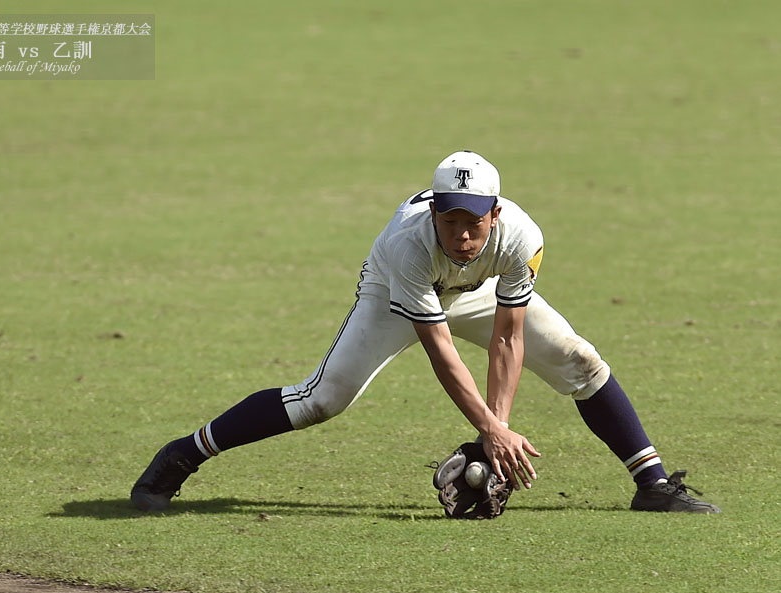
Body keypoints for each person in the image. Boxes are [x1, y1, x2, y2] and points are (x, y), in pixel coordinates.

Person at [131, 150, 720, 515]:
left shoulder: (522, 238)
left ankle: (652, 483)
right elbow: (440, 349)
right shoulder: (407, 245)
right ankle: (183, 454)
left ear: (496, 212)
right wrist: (489, 430)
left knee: (579, 360)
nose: (463, 233)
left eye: (474, 220)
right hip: (398, 293)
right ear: (435, 211)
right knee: (323, 398)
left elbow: (508, 339)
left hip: (480, 290)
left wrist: (499, 431)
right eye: (451, 219)